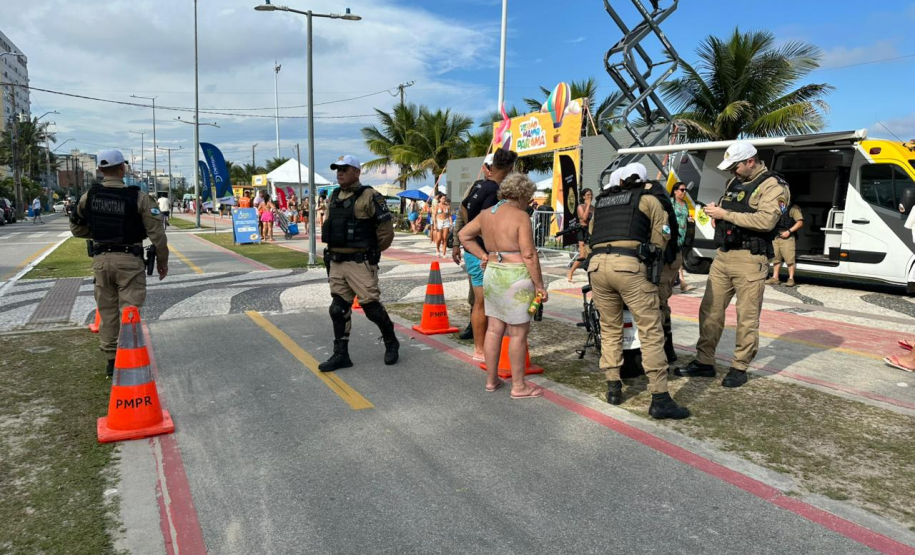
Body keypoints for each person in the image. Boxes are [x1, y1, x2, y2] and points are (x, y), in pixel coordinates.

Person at [676, 142, 789, 388]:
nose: (732, 172)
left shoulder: (774, 186)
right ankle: (704, 362)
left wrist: (724, 215)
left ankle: (739, 367)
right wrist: (719, 218)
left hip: (750, 259)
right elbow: (730, 208)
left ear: (750, 161)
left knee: (746, 317)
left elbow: (766, 221)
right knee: (710, 310)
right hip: (724, 255)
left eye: (736, 166)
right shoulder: (733, 182)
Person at [587, 162, 690, 419]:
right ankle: (660, 398)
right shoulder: (648, 201)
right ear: (643, 181)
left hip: (597, 267)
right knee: (650, 330)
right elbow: (661, 238)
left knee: (610, 327)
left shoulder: (601, 203)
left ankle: (613, 386)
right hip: (629, 267)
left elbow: (592, 235)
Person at [69, 150, 169, 377]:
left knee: (107, 312)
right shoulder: (139, 197)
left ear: (101, 170)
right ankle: (130, 358)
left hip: (101, 260)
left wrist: (100, 233)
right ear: (122, 168)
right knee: (129, 312)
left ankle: (111, 361)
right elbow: (157, 234)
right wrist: (162, 262)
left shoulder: (89, 196)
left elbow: (76, 228)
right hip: (129, 261)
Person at [459, 173, 547, 398]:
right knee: (518, 334)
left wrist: (483, 255)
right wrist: (540, 285)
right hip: (516, 275)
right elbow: (528, 254)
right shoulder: (520, 217)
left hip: (494, 272)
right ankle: (519, 386)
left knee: (494, 329)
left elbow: (463, 235)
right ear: (523, 194)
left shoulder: (487, 214)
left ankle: (491, 380)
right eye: (529, 197)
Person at [318, 155, 399, 372]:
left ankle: (391, 342)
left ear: (356, 172)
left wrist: (371, 251)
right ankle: (341, 354)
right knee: (337, 309)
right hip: (336, 261)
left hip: (359, 262)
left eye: (345, 169)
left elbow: (386, 231)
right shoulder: (334, 196)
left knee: (371, 307)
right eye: (337, 169)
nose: (340, 172)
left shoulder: (370, 196)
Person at [460, 148, 518, 361]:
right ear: (510, 168)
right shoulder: (494, 190)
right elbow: (487, 217)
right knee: (485, 303)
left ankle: (481, 348)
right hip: (482, 252)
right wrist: (484, 238)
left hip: (472, 248)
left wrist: (470, 229)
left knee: (480, 302)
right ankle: (481, 349)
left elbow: (464, 207)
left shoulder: (479, 185)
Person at [451, 154, 496, 341]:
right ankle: (475, 325)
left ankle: (492, 330)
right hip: (475, 247)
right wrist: (456, 242)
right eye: (489, 166)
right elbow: (462, 213)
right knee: (476, 294)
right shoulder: (476, 186)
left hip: (497, 248)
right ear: (485, 168)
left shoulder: (505, 189)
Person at [767, 203, 804, 287]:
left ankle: (791, 279)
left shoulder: (793, 209)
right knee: (776, 258)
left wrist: (789, 232)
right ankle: (775, 278)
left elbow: (800, 222)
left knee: (789, 259)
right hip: (775, 236)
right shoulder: (774, 207)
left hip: (787, 237)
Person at [566, 188, 594, 281]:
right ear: (583, 196)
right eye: (588, 195)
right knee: (582, 255)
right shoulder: (580, 207)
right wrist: (588, 204)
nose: (590, 196)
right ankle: (570, 272)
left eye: (591, 195)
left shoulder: (593, 207)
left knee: (592, 254)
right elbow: (585, 218)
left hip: (590, 231)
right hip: (582, 231)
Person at [672, 182, 695, 292]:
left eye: (685, 190)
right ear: (675, 191)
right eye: (682, 190)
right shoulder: (672, 202)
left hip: (683, 234)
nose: (684, 192)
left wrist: (690, 220)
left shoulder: (685, 203)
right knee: (677, 257)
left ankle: (679, 281)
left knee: (678, 257)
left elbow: (686, 216)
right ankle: (682, 282)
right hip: (673, 234)